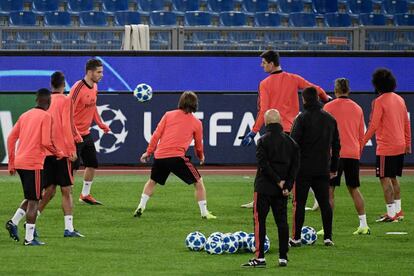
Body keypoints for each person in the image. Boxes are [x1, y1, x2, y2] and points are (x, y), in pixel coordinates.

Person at [241, 50, 329, 209]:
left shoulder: (265, 83)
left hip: (275, 130)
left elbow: (264, 110)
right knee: (296, 167)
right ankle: (316, 197)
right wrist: (326, 99)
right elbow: (315, 88)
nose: (262, 66)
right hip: (294, 130)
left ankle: (259, 198)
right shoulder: (294, 78)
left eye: (264, 63)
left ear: (271, 63)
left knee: (265, 165)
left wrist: (254, 131)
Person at [133, 91, 216, 219]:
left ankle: (141, 206)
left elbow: (156, 135)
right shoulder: (197, 123)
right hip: (177, 157)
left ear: (181, 102)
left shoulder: (168, 115)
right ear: (195, 104)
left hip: (160, 156)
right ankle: (204, 213)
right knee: (198, 182)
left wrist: (148, 152)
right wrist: (201, 157)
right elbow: (199, 145)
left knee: (152, 181)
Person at [241, 109, 299, 268]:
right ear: (280, 122)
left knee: (260, 221)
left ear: (266, 123)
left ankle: (259, 258)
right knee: (282, 222)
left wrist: (278, 181)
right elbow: (295, 168)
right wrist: (286, 185)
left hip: (264, 188)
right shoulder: (291, 143)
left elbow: (263, 165)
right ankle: (283, 257)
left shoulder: (263, 141)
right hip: (282, 192)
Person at [6, 88, 64, 246]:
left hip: (20, 162)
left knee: (32, 195)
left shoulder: (25, 115)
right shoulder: (46, 116)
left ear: (36, 100)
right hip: (33, 163)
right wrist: (58, 152)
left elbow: (11, 138)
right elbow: (45, 142)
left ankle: (13, 222)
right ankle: (29, 239)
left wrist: (11, 162)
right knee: (34, 201)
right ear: (48, 102)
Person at [290, 87, 340, 247]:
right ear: (317, 99)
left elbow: (293, 144)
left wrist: (290, 167)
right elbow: (337, 146)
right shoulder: (330, 119)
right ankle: (328, 237)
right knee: (325, 203)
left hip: (303, 169)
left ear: (304, 99)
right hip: (322, 169)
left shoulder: (301, 119)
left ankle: (296, 238)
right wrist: (333, 167)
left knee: (299, 204)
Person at [36, 71, 84, 237]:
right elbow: (67, 125)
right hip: (62, 151)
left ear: (51, 84)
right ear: (64, 84)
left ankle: (31, 223)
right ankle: (69, 228)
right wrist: (72, 148)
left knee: (48, 191)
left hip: (47, 151)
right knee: (67, 190)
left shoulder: (45, 101)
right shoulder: (66, 100)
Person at [362, 68, 411, 222]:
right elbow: (406, 124)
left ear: (377, 84)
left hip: (386, 147)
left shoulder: (379, 101)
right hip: (399, 145)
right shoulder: (400, 99)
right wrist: (408, 143)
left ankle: (391, 214)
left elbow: (373, 125)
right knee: (394, 178)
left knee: (384, 178)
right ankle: (398, 211)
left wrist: (361, 142)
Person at [323, 78, 370, 235]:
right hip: (352, 153)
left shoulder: (328, 107)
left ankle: (327, 228)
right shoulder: (357, 108)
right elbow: (361, 135)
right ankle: (363, 224)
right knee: (354, 188)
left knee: (329, 190)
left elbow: (325, 133)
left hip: (334, 155)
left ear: (335, 90)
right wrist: (358, 151)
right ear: (348, 90)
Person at [69, 58, 111, 205]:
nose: (102, 75)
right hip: (73, 135)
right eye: (99, 72)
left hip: (85, 133)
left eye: (102, 72)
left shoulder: (95, 87)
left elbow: (92, 107)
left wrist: (100, 124)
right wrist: (74, 133)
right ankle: (67, 197)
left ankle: (85, 195)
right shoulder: (77, 88)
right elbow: (67, 113)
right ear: (90, 72)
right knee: (72, 169)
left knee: (92, 163)